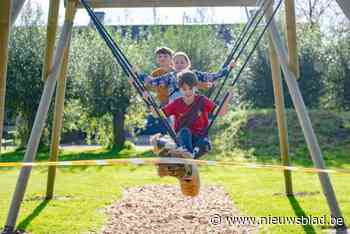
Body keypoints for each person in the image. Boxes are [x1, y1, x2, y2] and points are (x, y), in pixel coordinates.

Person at [150, 70, 233, 158]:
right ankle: (185, 152)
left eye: (191, 89)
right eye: (184, 89)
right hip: (183, 138)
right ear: (179, 89)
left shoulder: (202, 100)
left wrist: (227, 98)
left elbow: (221, 112)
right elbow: (158, 114)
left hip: (199, 138)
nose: (188, 92)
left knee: (206, 145)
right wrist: (150, 102)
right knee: (185, 131)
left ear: (195, 87)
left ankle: (184, 153)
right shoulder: (176, 103)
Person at [141, 51, 236, 103]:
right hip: (176, 104)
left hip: (191, 103)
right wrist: (139, 74)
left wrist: (228, 68)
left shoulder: (194, 74)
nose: (179, 65)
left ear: (187, 64)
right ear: (173, 65)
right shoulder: (170, 76)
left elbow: (213, 76)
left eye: (182, 62)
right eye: (176, 62)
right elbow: (153, 81)